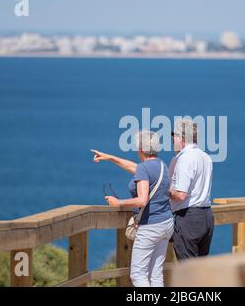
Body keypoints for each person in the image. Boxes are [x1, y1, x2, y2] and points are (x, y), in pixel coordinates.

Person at [92, 131, 173, 287]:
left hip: (150, 226)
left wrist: (118, 203)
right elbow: (133, 167)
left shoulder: (144, 168)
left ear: (141, 149)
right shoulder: (161, 165)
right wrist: (110, 157)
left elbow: (142, 200)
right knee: (155, 274)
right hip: (166, 223)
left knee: (137, 275)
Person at [168, 119, 214, 260]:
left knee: (187, 272)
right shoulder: (206, 157)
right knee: (200, 271)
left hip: (188, 218)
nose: (172, 140)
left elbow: (181, 195)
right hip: (206, 216)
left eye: (174, 136)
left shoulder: (185, 158)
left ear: (182, 138)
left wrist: (162, 190)